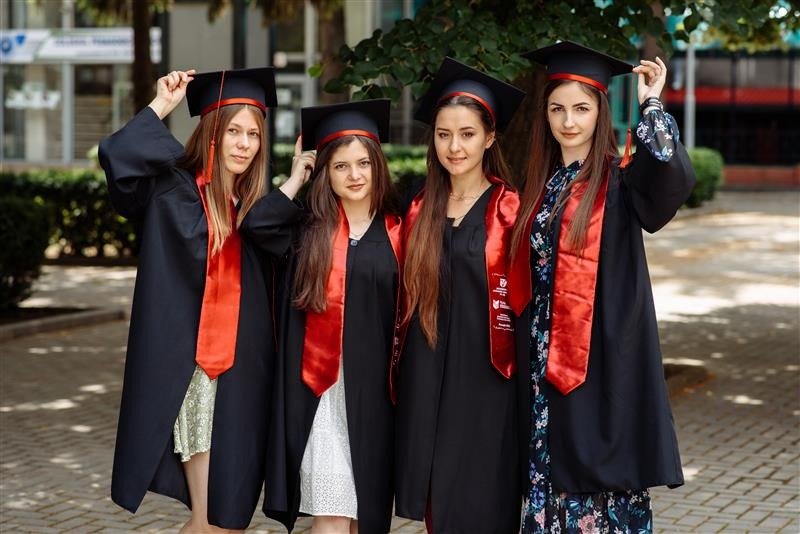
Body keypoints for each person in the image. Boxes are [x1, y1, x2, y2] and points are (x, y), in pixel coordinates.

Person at [99, 67, 307, 531]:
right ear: (212, 132)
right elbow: (118, 158)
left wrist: (293, 181)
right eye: (233, 130)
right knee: (213, 516)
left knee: (224, 517)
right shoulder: (174, 191)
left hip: (249, 376)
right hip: (196, 372)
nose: (244, 143)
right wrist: (161, 107)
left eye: (253, 134)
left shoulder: (258, 208)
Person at [507, 41, 695, 533]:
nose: (569, 120)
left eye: (582, 108)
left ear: (600, 112)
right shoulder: (541, 186)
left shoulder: (622, 181)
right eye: (558, 109)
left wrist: (652, 102)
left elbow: (671, 178)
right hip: (544, 368)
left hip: (602, 363)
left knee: (599, 490)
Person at [392, 58, 525, 533]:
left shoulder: (511, 209)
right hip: (427, 378)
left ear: (490, 137)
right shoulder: (417, 207)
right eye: (444, 134)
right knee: (440, 508)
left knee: (486, 504)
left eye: (467, 134)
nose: (454, 146)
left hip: (489, 381)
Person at [258, 99, 401, 534]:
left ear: (378, 165)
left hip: (376, 397)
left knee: (360, 519)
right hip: (318, 395)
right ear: (326, 173)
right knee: (332, 514)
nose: (354, 175)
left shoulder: (401, 230)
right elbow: (257, 226)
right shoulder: (307, 230)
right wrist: (295, 178)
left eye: (362, 164)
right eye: (340, 167)